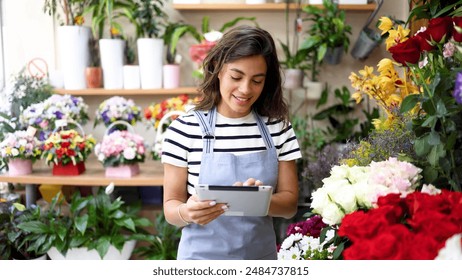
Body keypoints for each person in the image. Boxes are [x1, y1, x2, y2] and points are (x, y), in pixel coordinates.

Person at [161, 25, 302, 260]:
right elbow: (170, 207)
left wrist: (258, 201)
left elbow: (289, 205)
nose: (245, 89)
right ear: (217, 68)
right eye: (236, 77)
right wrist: (188, 212)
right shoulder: (184, 129)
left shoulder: (278, 128)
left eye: (257, 81)